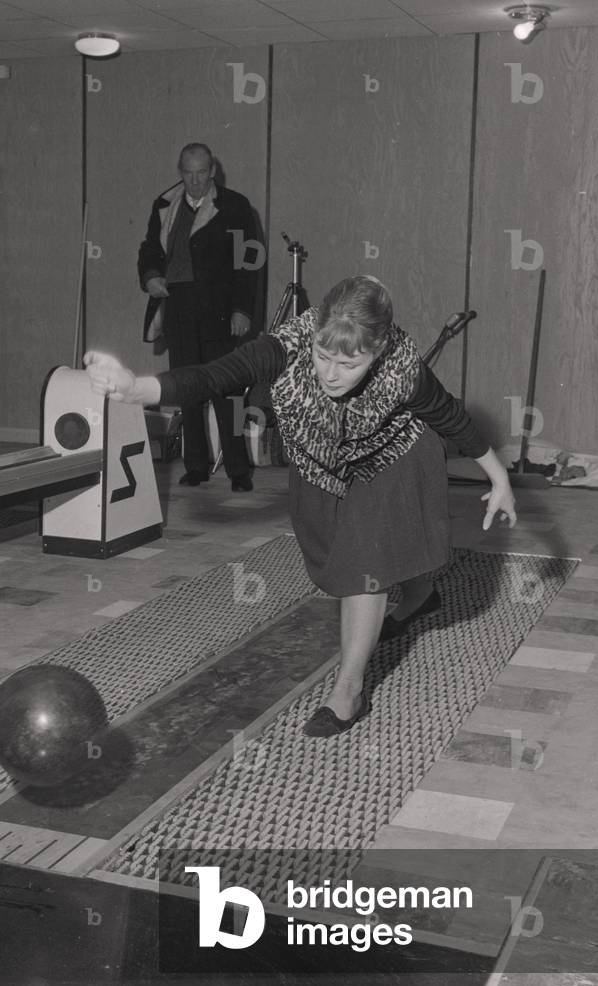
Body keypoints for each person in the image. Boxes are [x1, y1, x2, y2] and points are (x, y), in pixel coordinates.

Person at [85, 275, 518, 738]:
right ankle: (419, 595)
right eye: (323, 356)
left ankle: (348, 694)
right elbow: (212, 376)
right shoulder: (284, 347)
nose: (331, 374)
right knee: (351, 558)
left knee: (363, 564)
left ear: (377, 350)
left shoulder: (404, 368)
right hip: (319, 461)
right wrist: (136, 388)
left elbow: (451, 416)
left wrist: (500, 477)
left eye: (349, 364)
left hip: (393, 456)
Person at [139, 143, 258, 492]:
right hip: (178, 309)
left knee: (229, 392)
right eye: (188, 173)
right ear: (180, 171)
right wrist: (150, 276)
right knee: (188, 390)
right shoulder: (164, 205)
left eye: (201, 173)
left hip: (221, 313)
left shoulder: (235, 207)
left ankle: (239, 470)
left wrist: (242, 310)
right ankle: (196, 466)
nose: (194, 180)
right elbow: (148, 249)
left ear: (213, 172)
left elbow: (248, 264)